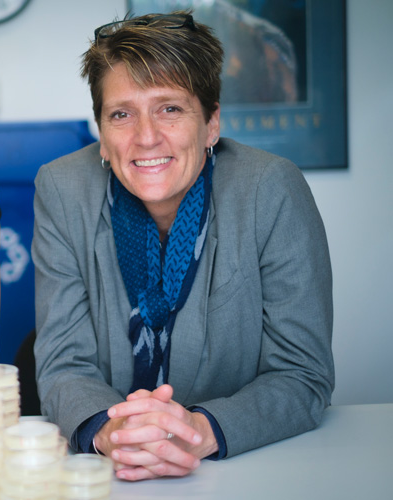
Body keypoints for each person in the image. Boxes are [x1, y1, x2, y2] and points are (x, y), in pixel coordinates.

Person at [32, 11, 333, 482]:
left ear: (211, 124)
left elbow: (302, 373)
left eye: (170, 108)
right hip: (109, 477)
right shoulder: (62, 188)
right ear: (102, 136)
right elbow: (64, 361)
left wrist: (199, 429)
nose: (146, 137)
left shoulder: (271, 189)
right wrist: (111, 434)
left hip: (242, 475)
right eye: (121, 114)